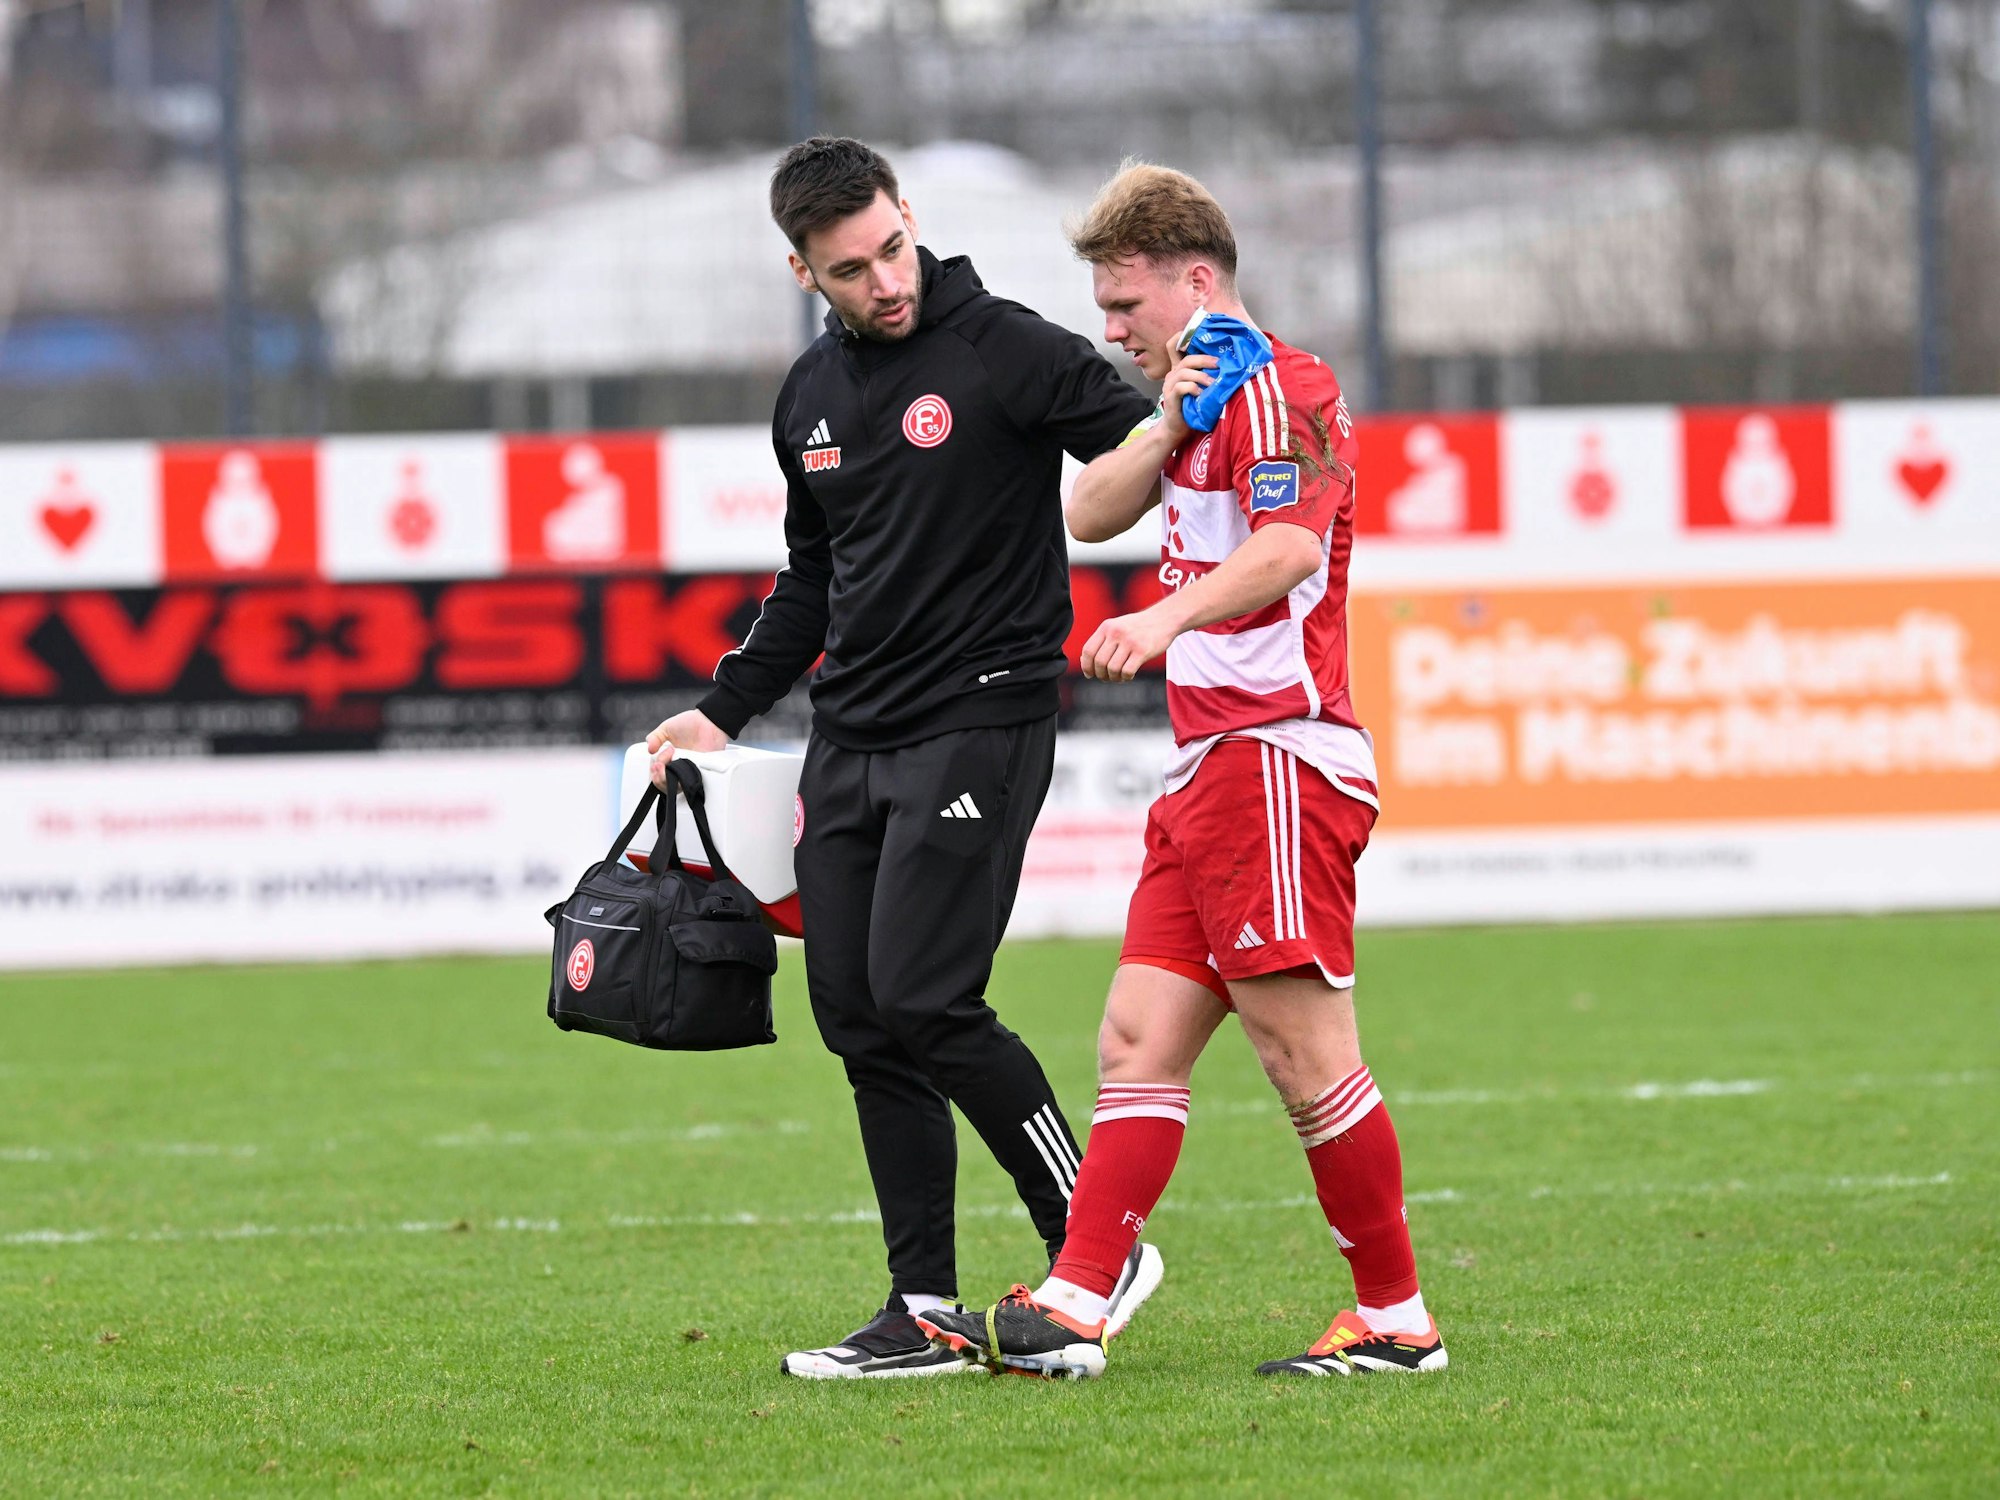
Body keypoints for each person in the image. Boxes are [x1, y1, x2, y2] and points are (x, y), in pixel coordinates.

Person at [646, 138, 1164, 1379]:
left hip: (982, 718)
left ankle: (1095, 1243)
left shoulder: (1009, 347)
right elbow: (812, 580)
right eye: (849, 268)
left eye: (889, 247)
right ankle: (922, 1310)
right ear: (802, 272)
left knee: (928, 993)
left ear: (906, 218)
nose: (884, 280)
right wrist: (720, 713)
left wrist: (1196, 547)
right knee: (858, 1016)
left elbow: (1153, 446)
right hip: (851, 739)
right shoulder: (807, 399)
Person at [917, 163, 1445, 1379]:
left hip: (1276, 756)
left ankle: (1395, 1318)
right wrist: (1162, 419)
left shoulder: (1287, 388)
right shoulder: (1194, 402)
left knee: (1303, 1057)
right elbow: (1088, 514)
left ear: (1195, 281)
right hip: (1211, 769)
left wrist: (1163, 624)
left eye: (1125, 305)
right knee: (1135, 1041)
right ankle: (1074, 1302)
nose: (1110, 330)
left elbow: (1285, 549)